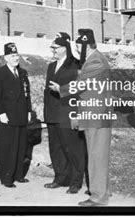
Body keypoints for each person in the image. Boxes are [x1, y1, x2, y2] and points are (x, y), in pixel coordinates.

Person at [49, 28, 112, 206]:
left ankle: (99, 197)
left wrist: (60, 89)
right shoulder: (93, 59)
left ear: (85, 46)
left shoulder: (95, 61)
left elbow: (81, 84)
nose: (75, 49)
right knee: (97, 155)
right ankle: (103, 191)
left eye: (77, 46)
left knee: (97, 155)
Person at [43, 32, 86, 194]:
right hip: (52, 114)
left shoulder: (76, 65)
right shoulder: (51, 66)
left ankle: (76, 182)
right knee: (56, 149)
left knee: (73, 149)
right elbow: (47, 92)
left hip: (68, 113)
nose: (52, 50)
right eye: (52, 47)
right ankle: (60, 178)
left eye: (55, 47)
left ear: (64, 48)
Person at [0, 42, 32, 188]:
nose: (16, 58)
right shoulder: (0, 73)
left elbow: (27, 94)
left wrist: (28, 111)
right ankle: (7, 178)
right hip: (7, 116)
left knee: (21, 146)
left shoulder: (22, 73)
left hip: (21, 115)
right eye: (12, 56)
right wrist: (1, 113)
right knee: (9, 147)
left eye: (17, 55)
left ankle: (18, 175)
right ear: (6, 58)